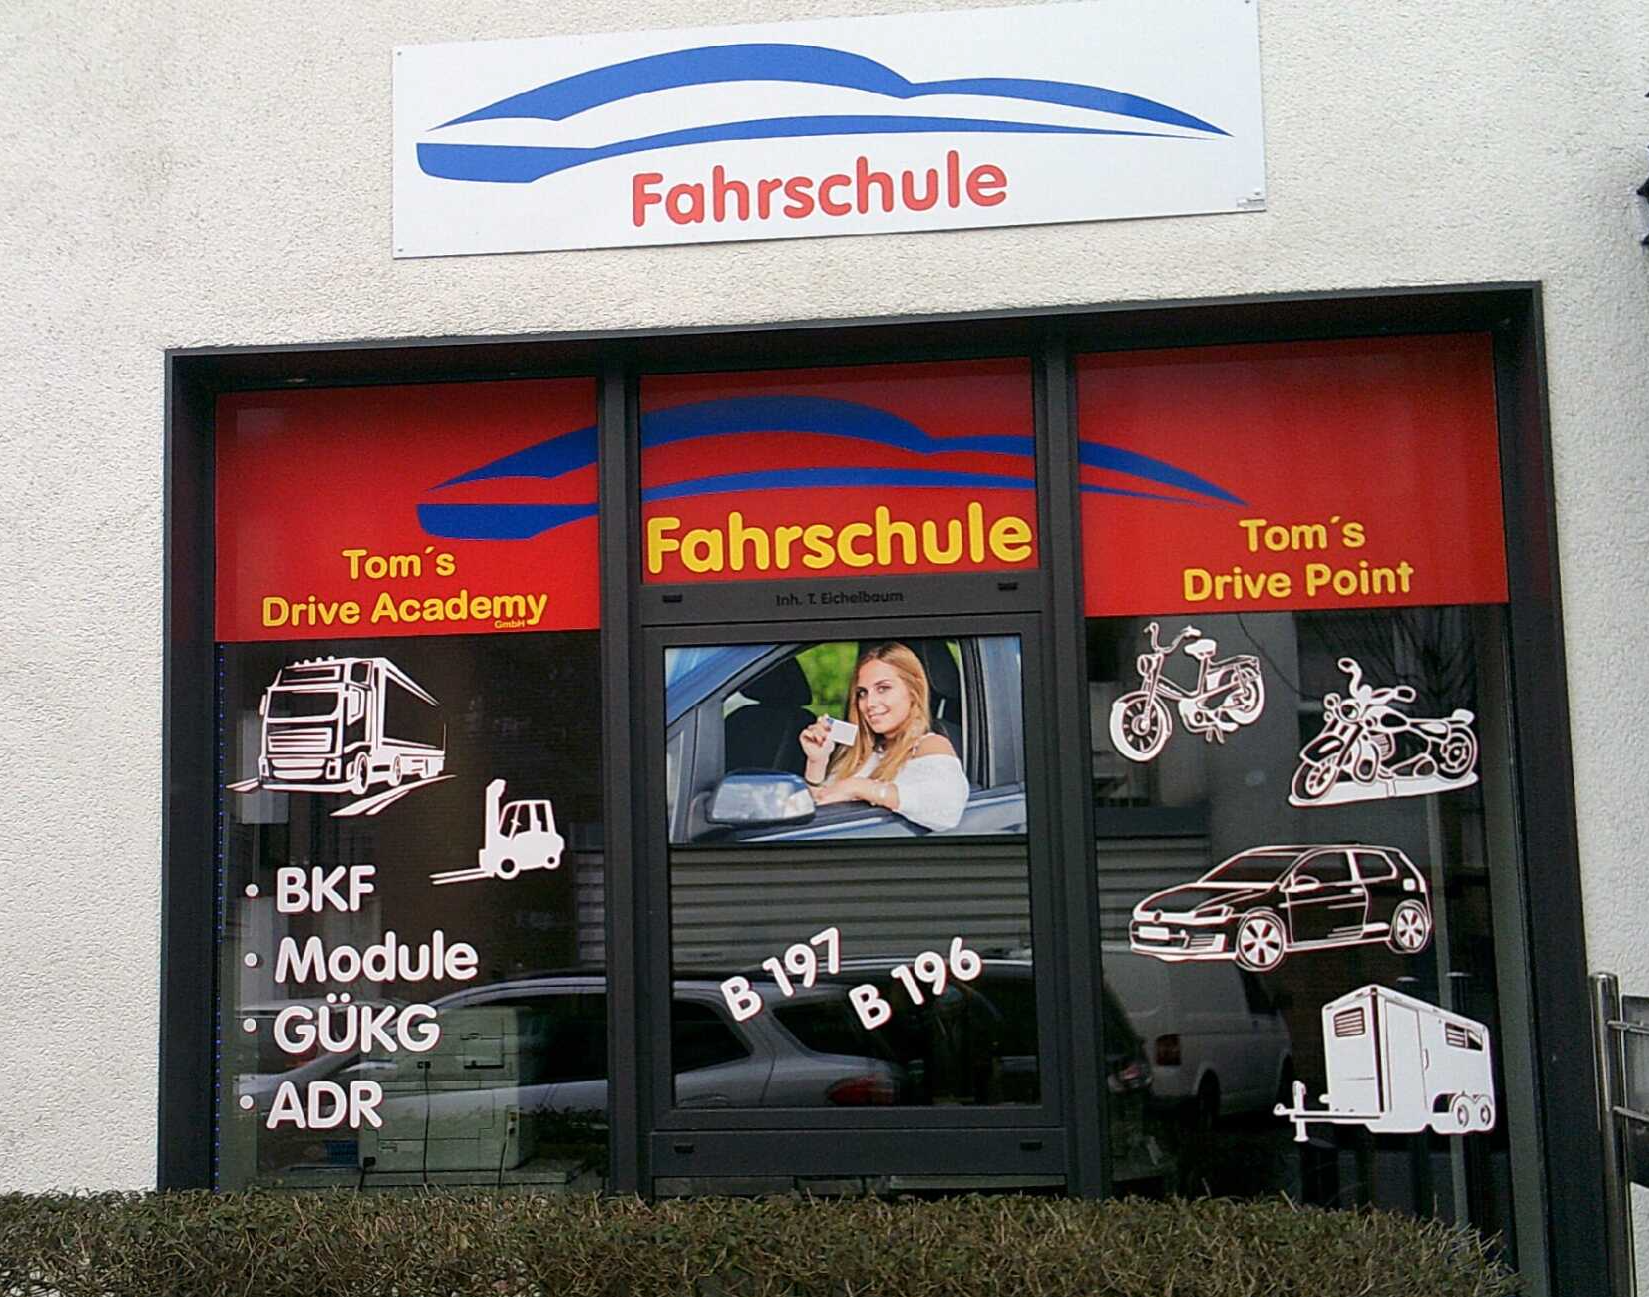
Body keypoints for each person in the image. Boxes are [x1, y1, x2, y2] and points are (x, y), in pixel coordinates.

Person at [798, 642, 969, 832]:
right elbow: (817, 809)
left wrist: (858, 787)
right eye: (862, 693)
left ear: (913, 691)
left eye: (883, 688)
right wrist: (817, 761)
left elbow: (947, 810)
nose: (869, 703)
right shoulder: (859, 751)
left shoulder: (930, 745)